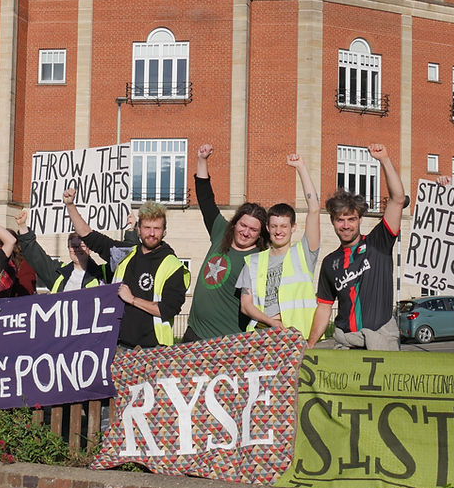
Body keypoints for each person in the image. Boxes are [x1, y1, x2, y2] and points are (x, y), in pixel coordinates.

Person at [63, 188, 190, 349]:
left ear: (164, 231)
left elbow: (167, 310)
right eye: (147, 228)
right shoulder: (123, 254)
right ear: (138, 229)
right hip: (117, 346)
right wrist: (70, 205)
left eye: (156, 228)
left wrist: (132, 299)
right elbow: (89, 236)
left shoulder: (173, 266)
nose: (151, 233)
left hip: (154, 349)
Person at [309, 143, 405, 350]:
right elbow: (325, 308)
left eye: (351, 219)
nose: (346, 226)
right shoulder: (329, 263)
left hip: (380, 341)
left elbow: (398, 199)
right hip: (346, 343)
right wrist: (310, 345)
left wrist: (384, 160)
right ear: (332, 221)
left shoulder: (379, 242)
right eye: (340, 220)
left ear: (360, 219)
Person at [183, 144, 269, 342]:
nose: (246, 232)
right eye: (243, 225)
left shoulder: (258, 259)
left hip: (225, 342)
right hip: (193, 333)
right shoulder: (220, 231)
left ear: (260, 234)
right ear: (235, 222)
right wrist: (202, 160)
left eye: (253, 230)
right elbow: (205, 198)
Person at [238, 153, 320, 334]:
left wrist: (301, 168)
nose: (278, 231)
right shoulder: (252, 262)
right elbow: (246, 306)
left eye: (284, 226)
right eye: (274, 226)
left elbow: (314, 209)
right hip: (260, 333)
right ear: (267, 227)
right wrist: (270, 322)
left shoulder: (304, 253)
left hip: (297, 334)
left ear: (294, 228)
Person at [14, 209, 113, 292]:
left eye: (81, 245)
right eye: (73, 246)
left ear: (90, 249)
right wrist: (22, 226)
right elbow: (35, 256)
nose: (77, 249)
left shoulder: (103, 273)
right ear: (68, 248)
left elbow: (123, 256)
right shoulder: (58, 273)